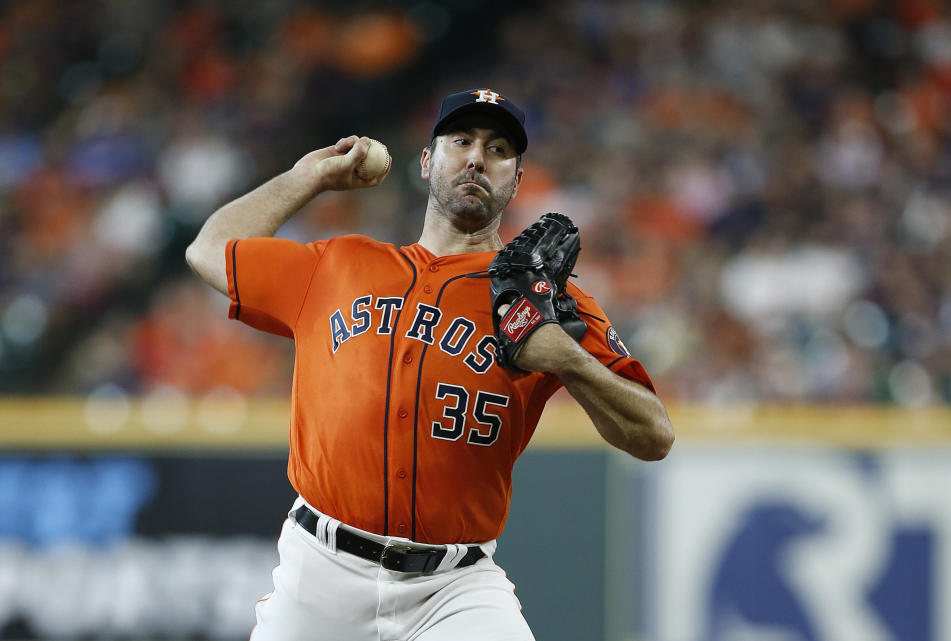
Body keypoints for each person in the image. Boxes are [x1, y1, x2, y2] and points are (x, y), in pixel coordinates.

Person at [185, 88, 674, 640]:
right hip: (319, 572)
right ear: (426, 160)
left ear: (516, 178)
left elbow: (653, 434)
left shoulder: (544, 301)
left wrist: (569, 361)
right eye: (460, 141)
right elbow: (208, 249)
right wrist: (308, 178)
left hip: (454, 589)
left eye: (497, 149)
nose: (476, 158)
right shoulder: (339, 264)